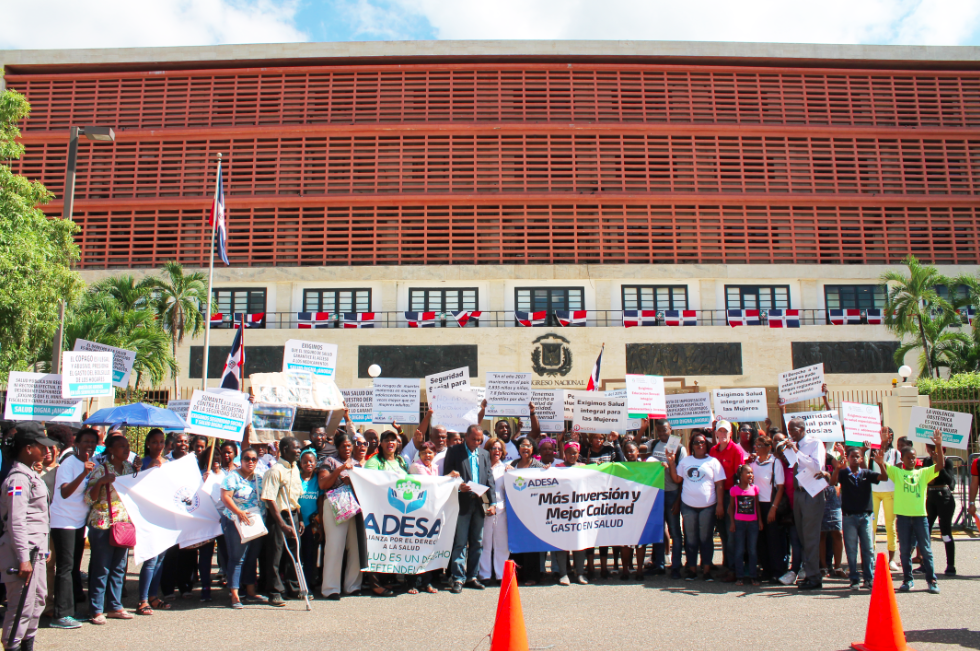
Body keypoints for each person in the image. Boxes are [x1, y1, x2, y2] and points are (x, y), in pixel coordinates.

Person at [1, 423, 58, 650]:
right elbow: (16, 521)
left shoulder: (30, 474)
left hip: (36, 553)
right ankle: (13, 645)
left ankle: (27, 644)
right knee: (20, 608)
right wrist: (24, 558)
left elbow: (38, 519)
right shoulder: (18, 479)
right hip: (21, 555)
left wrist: (43, 548)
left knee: (37, 603)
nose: (46, 451)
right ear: (27, 448)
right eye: (40, 446)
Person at [875, 429, 944, 594]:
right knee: (905, 550)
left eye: (914, 457)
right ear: (903, 459)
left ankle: (932, 580)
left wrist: (939, 445)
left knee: (926, 550)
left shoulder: (922, 473)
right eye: (908, 458)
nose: (912, 460)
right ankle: (907, 580)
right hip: (904, 517)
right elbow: (882, 463)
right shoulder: (897, 473)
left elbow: (940, 466)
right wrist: (883, 444)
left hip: (920, 517)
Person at [49, 427, 98, 629]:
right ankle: (60, 615)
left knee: (73, 568)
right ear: (76, 444)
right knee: (65, 567)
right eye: (85, 441)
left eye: (93, 442)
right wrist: (83, 474)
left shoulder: (92, 463)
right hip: (63, 522)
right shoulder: (68, 464)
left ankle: (70, 610)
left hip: (79, 522)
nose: (89, 445)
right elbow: (65, 493)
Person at [85, 434, 136, 624]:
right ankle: (96, 609)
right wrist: (100, 482)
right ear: (111, 450)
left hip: (123, 525)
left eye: (127, 445)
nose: (126, 449)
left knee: (119, 568)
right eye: (121, 446)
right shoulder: (100, 470)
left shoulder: (130, 469)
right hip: (103, 524)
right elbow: (89, 498)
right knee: (101, 568)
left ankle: (115, 605)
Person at [443, 424, 496, 594]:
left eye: (480, 440)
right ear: (466, 436)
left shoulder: (484, 454)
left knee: (477, 542)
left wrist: (492, 503)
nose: (477, 442)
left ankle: (472, 576)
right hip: (461, 502)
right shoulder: (454, 451)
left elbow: (489, 478)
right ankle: (458, 578)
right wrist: (459, 486)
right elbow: (448, 474)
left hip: (479, 503)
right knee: (460, 543)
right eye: (474, 439)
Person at [667, 432, 725, 581]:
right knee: (691, 539)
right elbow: (677, 479)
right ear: (692, 445)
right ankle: (692, 569)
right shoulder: (686, 461)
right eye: (697, 442)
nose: (700, 445)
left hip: (708, 506)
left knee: (706, 539)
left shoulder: (713, 462)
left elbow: (719, 485)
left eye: (703, 442)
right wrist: (672, 463)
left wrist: (719, 504)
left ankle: (706, 570)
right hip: (688, 506)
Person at [784, 415, 830, 591]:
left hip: (812, 493)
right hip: (798, 493)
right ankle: (810, 573)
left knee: (811, 537)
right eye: (789, 431)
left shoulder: (814, 443)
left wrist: (796, 451)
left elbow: (817, 466)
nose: (790, 434)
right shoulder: (795, 445)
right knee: (803, 536)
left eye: (793, 431)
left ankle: (814, 577)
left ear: (802, 429)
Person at [318, 432, 364, 600]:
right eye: (343, 446)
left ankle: (353, 586)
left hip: (354, 506)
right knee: (335, 546)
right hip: (335, 505)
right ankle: (331, 588)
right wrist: (340, 470)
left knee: (356, 547)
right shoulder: (329, 462)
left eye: (349, 445)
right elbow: (323, 483)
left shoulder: (358, 464)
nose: (347, 448)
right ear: (337, 447)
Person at [220, 448, 268, 608]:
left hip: (255, 522)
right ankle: (234, 594)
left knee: (251, 557)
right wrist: (239, 512)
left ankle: (250, 590)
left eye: (254, 459)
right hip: (235, 520)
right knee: (237, 558)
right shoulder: (232, 477)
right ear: (241, 460)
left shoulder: (259, 478)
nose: (250, 462)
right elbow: (225, 497)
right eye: (247, 458)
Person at [260, 436, 304, 607]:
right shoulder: (275, 471)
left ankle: (293, 587)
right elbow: (270, 499)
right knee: (275, 554)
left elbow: (295, 496)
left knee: (294, 554)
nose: (299, 450)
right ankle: (274, 591)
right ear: (285, 449)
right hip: (278, 516)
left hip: (293, 514)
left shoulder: (295, 469)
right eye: (296, 447)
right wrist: (282, 524)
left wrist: (299, 518)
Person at [830, 444, 881, 590]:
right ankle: (854, 579)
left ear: (861, 459)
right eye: (852, 456)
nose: (855, 459)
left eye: (858, 456)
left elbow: (883, 477)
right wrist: (838, 469)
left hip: (865, 517)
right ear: (848, 458)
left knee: (868, 549)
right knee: (851, 550)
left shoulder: (866, 473)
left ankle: (869, 578)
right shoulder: (844, 473)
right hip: (849, 517)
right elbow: (832, 483)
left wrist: (881, 465)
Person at [135, 430, 172, 616]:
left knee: (160, 560)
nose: (158, 446)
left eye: (161, 442)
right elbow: (137, 488)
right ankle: (142, 600)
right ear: (148, 443)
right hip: (148, 516)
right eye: (155, 442)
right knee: (150, 559)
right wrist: (150, 469)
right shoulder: (140, 463)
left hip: (165, 517)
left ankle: (153, 596)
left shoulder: (170, 463)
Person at [708, 420, 747, 582]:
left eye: (726, 432)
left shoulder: (736, 450)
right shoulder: (713, 451)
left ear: (731, 434)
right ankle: (727, 565)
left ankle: (734, 569)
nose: (723, 435)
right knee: (723, 532)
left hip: (731, 495)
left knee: (732, 533)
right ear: (716, 433)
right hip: (716, 494)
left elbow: (740, 476)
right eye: (720, 431)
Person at [646, 419, 685, 579]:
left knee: (675, 531)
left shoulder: (679, 448)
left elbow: (683, 477)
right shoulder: (652, 444)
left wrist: (678, 500)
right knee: (658, 530)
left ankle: (675, 565)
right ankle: (660, 564)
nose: (662, 434)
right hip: (656, 492)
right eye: (659, 431)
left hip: (672, 493)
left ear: (670, 429)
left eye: (665, 430)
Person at [749, 434, 786, 583]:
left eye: (759, 446)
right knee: (761, 540)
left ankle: (777, 571)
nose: (756, 449)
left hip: (771, 504)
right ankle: (766, 570)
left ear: (768, 447)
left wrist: (774, 508)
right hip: (757, 505)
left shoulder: (775, 462)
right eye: (755, 446)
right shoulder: (753, 463)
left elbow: (781, 487)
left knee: (773, 540)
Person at [508, 437, 544, 586]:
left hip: (533, 511)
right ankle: (518, 575)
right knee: (517, 543)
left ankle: (532, 576)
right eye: (522, 445)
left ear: (532, 449)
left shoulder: (538, 466)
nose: (525, 448)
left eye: (528, 446)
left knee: (531, 544)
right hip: (515, 511)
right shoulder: (513, 465)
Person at [553, 442, 588, 585]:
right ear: (564, 454)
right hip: (562, 511)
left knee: (579, 542)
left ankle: (580, 573)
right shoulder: (557, 469)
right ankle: (563, 574)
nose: (573, 456)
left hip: (580, 510)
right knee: (562, 543)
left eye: (575, 453)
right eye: (570, 453)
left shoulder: (584, 468)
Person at [922, 441, 956, 575]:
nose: (932, 454)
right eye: (930, 451)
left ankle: (950, 565)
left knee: (945, 531)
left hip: (944, 498)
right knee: (926, 530)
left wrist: (939, 466)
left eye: (935, 451)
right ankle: (926, 563)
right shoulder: (927, 461)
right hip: (931, 498)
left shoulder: (948, 462)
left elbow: (950, 482)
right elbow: (928, 480)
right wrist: (932, 466)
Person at [479, 438, 509, 585]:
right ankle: (484, 574)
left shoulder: (506, 468)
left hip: (501, 509)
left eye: (499, 449)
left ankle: (500, 575)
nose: (496, 451)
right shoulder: (480, 466)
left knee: (501, 544)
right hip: (484, 509)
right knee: (485, 543)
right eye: (493, 448)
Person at [872, 426, 901, 571]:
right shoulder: (873, 450)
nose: (883, 436)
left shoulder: (896, 453)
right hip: (874, 491)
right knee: (872, 526)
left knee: (890, 526)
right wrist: (882, 444)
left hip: (890, 491)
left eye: (886, 434)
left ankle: (892, 559)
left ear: (891, 437)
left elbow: (897, 471)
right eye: (881, 433)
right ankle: (871, 557)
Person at [728, 464, 762, 586]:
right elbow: (731, 507)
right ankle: (739, 576)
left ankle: (753, 576)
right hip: (739, 523)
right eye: (747, 473)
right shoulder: (734, 490)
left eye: (752, 473)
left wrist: (760, 521)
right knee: (739, 550)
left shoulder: (755, 489)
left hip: (753, 523)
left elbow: (757, 506)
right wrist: (732, 522)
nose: (750, 475)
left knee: (752, 550)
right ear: (740, 475)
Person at [297, 450, 322, 598]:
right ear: (300, 463)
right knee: (297, 557)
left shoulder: (317, 480)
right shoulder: (296, 479)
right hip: (298, 522)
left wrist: (320, 525)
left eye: (312, 461)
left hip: (312, 525)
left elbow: (320, 501)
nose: (309, 464)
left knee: (310, 557)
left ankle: (308, 587)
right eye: (305, 461)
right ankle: (296, 586)